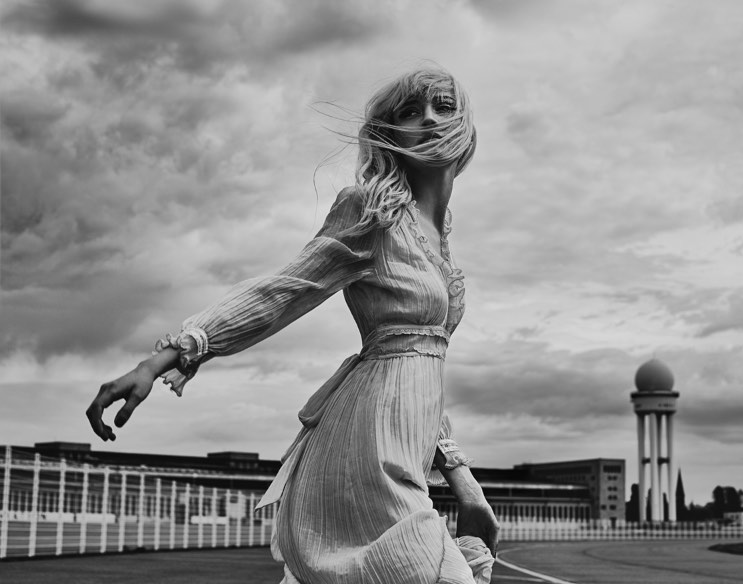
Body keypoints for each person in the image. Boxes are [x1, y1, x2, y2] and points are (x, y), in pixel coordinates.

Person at [87, 67, 499, 583]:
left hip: (410, 450)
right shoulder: (370, 210)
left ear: (465, 124)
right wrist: (170, 354)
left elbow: (425, 377)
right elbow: (284, 289)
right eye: (411, 111)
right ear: (390, 132)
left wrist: (463, 479)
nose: (430, 119)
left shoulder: (441, 241)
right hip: (365, 446)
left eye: (443, 105)